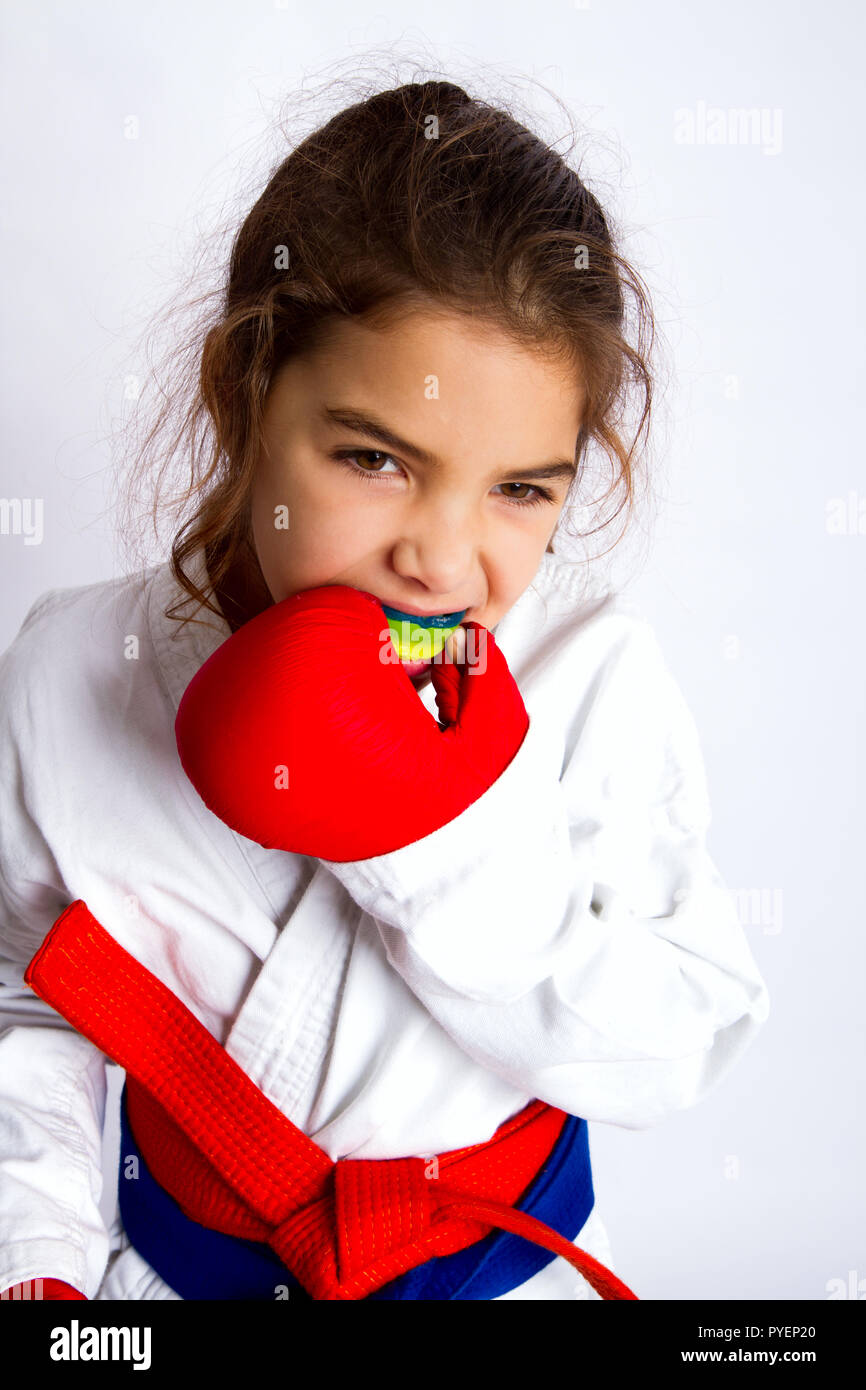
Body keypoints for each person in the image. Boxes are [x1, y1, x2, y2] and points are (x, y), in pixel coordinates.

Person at [0, 79, 769, 1301]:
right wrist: (35, 1262)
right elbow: (33, 1002)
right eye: (373, 459)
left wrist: (449, 838)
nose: (445, 559)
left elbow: (681, 1038)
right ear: (242, 394)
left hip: (499, 1278)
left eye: (521, 489)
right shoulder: (72, 669)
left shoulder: (586, 682)